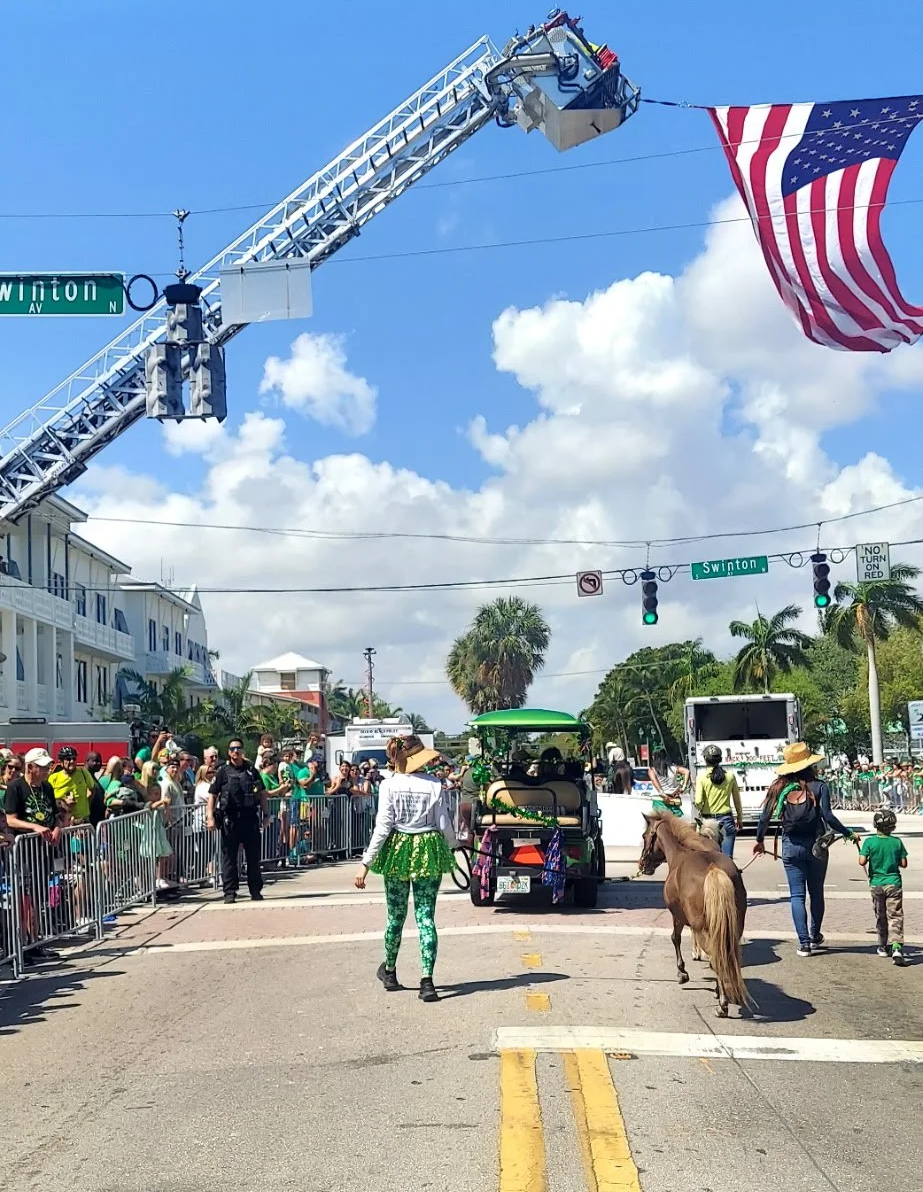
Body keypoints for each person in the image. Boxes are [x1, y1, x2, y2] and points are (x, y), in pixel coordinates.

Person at [354, 735, 457, 1002]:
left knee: (395, 917)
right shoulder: (435, 784)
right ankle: (427, 980)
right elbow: (444, 823)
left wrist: (366, 863)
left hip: (398, 849)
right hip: (428, 848)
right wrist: (455, 847)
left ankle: (389, 970)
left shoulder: (389, 785)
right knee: (426, 918)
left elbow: (382, 827)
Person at [754, 742, 858, 956]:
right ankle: (815, 934)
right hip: (816, 846)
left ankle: (804, 944)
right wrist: (848, 833)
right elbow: (828, 817)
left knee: (797, 896)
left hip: (791, 846)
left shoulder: (779, 787)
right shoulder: (819, 787)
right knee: (816, 893)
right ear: (810, 765)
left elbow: (764, 818)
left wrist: (759, 839)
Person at [4, 748, 62, 964]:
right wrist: (35, 827)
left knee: (39, 896)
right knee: (26, 897)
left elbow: (54, 815)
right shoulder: (15, 788)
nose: (47, 770)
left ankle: (36, 942)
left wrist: (56, 828)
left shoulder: (46, 787)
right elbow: (11, 819)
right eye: (43, 766)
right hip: (24, 851)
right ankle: (23, 943)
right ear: (30, 767)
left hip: (44, 850)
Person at [207, 739, 269, 903]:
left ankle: (255, 890)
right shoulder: (223, 771)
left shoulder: (251, 771)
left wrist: (267, 814)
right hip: (230, 819)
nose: (235, 751)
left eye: (238, 749)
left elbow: (262, 792)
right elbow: (213, 794)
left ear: (242, 751)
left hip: (250, 818)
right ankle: (229, 892)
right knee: (229, 858)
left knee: (253, 857)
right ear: (228, 752)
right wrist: (210, 816)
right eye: (232, 749)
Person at [859, 807, 908, 966]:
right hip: (893, 883)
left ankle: (882, 945)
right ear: (893, 827)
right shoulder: (896, 842)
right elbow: (904, 863)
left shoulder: (870, 842)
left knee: (880, 915)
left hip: (876, 884)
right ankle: (897, 947)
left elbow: (861, 861)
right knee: (895, 915)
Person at [694, 745, 743, 858]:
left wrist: (700, 806)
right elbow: (737, 800)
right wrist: (739, 818)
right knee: (727, 859)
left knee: (706, 859)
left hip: (707, 823)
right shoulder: (730, 776)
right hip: (726, 820)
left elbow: (698, 802)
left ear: (705, 759)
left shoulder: (701, 777)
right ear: (720, 759)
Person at [48, 746, 104, 827]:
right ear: (61, 762)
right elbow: (50, 799)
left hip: (82, 820)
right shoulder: (53, 778)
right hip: (63, 822)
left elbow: (92, 789)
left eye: (74, 759)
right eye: (68, 759)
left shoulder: (83, 773)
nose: (72, 761)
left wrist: (86, 804)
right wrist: (64, 803)